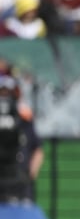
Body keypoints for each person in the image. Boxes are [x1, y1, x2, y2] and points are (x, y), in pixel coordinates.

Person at [0, 74, 43, 204]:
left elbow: (38, 149)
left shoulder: (24, 119)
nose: (4, 97)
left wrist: (29, 176)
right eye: (1, 92)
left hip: (21, 185)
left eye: (8, 92)